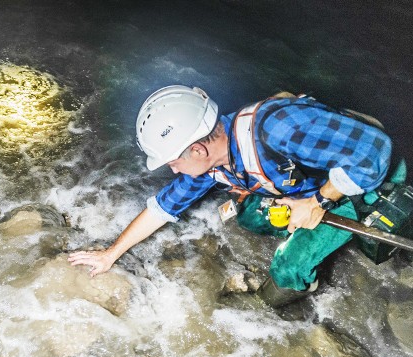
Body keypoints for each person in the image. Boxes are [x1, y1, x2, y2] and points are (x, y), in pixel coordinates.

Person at [68, 85, 392, 306]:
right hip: (304, 188)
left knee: (285, 269)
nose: (175, 171)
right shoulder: (213, 163)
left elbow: (376, 150)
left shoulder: (275, 127)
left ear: (196, 149)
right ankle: (304, 223)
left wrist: (318, 201)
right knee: (247, 214)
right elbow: (161, 208)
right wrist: (111, 253)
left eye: (174, 163)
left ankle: (301, 286)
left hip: (361, 183)